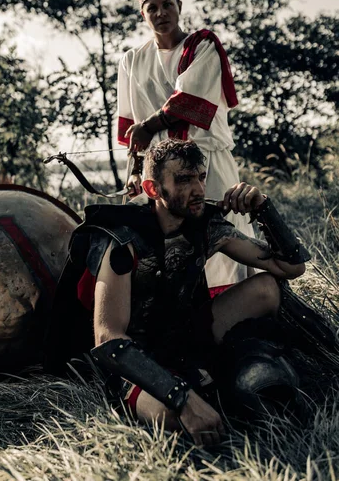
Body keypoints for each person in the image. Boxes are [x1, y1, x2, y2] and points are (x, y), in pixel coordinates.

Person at [45, 139, 312, 447]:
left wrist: (263, 208)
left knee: (265, 288)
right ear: (152, 189)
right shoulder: (123, 240)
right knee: (176, 420)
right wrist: (181, 398)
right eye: (184, 180)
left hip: (183, 336)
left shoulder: (207, 225)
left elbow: (290, 268)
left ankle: (252, 369)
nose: (199, 189)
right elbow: (109, 339)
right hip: (130, 362)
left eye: (200, 176)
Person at [117, 0, 252, 294]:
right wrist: (136, 169)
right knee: (159, 244)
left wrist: (150, 127)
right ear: (143, 14)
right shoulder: (132, 60)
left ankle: (238, 315)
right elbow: (130, 124)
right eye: (152, 8)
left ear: (180, 7)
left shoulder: (202, 44)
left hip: (205, 160)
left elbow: (191, 101)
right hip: (159, 169)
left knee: (223, 237)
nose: (161, 13)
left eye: (167, 5)